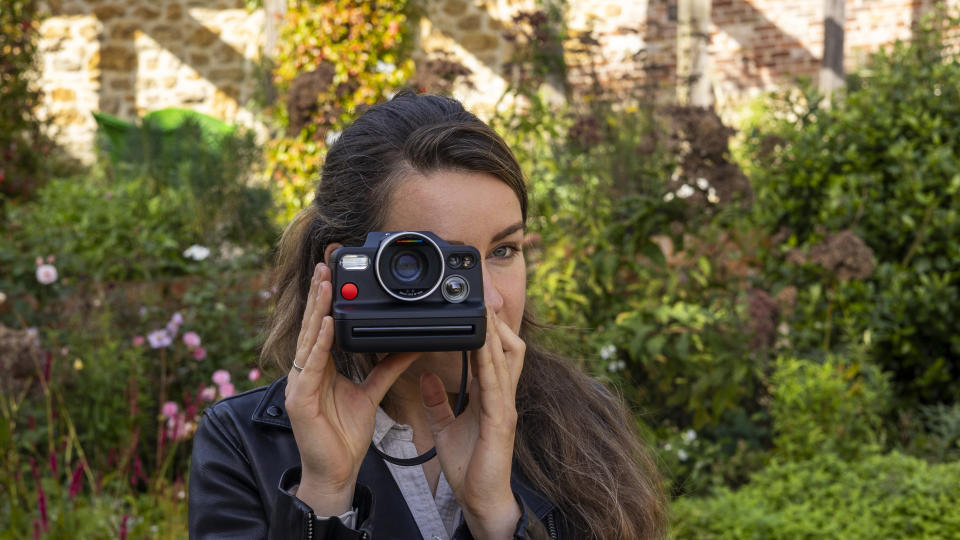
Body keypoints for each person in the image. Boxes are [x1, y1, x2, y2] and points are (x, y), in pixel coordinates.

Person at [188, 90, 667, 539]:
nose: (491, 301)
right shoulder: (244, 445)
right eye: (439, 264)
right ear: (344, 269)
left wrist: (497, 515)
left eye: (503, 250)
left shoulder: (585, 425)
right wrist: (326, 496)